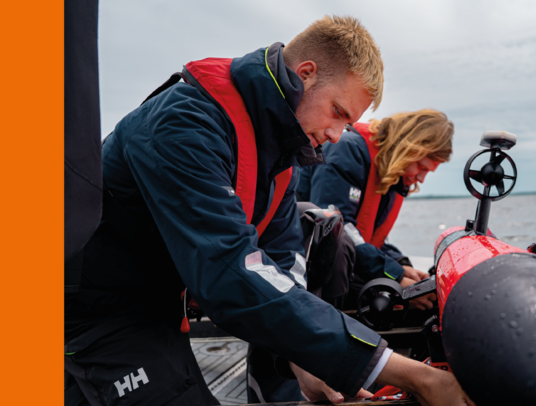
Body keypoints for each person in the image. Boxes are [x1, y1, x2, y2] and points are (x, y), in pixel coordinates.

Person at [65, 15, 471, 406]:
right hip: (98, 312)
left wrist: (306, 357)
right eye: (339, 113)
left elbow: (279, 257)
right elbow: (229, 271)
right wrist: (413, 375)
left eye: (348, 125)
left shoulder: (279, 155)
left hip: (155, 307)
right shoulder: (184, 123)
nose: (334, 135)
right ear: (306, 73)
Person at [296, 110, 454, 310]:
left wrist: (402, 266)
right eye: (421, 167)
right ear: (407, 150)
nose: (421, 179)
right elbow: (337, 230)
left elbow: (368, 239)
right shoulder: (346, 150)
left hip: (345, 263)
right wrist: (396, 277)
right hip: (307, 266)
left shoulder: (390, 178)